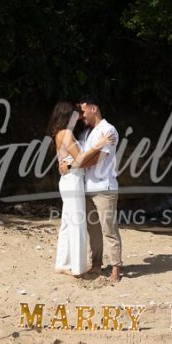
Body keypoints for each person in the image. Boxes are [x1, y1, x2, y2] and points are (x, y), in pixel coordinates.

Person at [60, 95, 122, 282]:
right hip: (86, 188)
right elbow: (79, 156)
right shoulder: (85, 134)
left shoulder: (108, 130)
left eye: (83, 110)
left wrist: (71, 165)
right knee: (92, 230)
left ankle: (116, 268)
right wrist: (68, 163)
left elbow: (95, 159)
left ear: (93, 108)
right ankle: (96, 264)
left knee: (109, 228)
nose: (81, 115)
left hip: (104, 187)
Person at [47, 101, 113, 277]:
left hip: (69, 179)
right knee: (76, 222)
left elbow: (72, 160)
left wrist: (68, 165)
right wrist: (100, 144)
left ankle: (62, 263)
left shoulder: (61, 132)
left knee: (68, 222)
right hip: (73, 181)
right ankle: (77, 267)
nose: (78, 117)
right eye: (75, 114)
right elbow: (81, 158)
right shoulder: (66, 134)